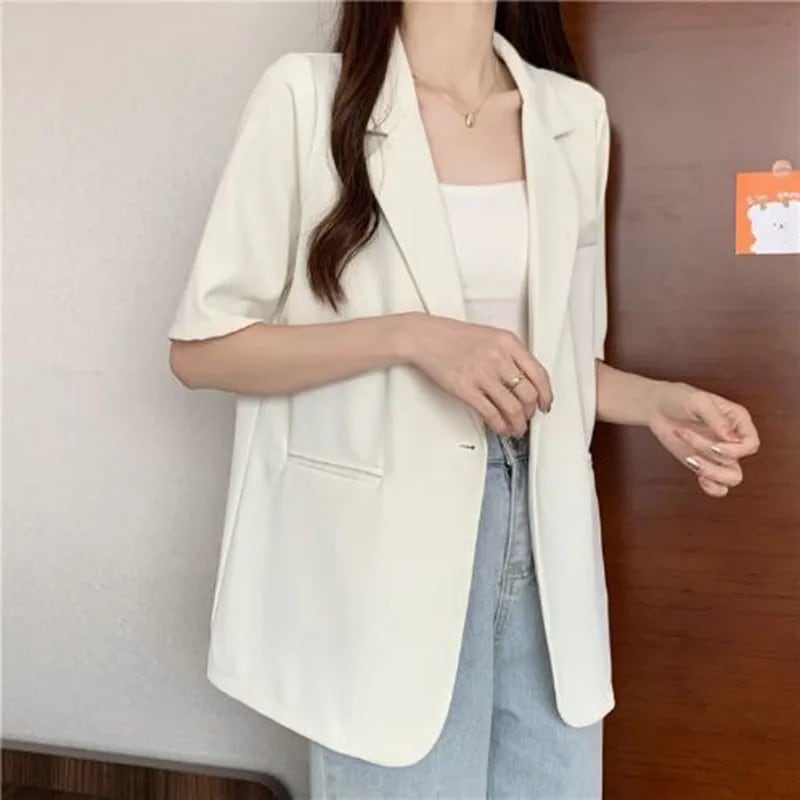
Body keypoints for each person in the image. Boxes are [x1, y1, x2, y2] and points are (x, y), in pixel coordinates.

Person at [167, 1, 761, 797]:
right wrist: (412, 337)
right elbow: (201, 351)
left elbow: (557, 365)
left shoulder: (573, 117)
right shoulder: (306, 98)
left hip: (547, 551)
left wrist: (657, 402)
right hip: (382, 569)